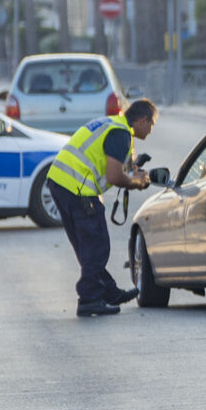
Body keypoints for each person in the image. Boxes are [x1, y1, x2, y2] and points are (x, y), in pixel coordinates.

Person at [45, 99, 160, 318]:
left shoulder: (112, 124)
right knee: (97, 245)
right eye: (151, 124)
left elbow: (111, 162)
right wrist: (137, 183)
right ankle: (89, 299)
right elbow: (114, 176)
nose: (151, 130)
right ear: (143, 120)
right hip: (78, 186)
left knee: (87, 246)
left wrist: (133, 168)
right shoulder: (121, 134)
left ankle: (107, 291)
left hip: (60, 182)